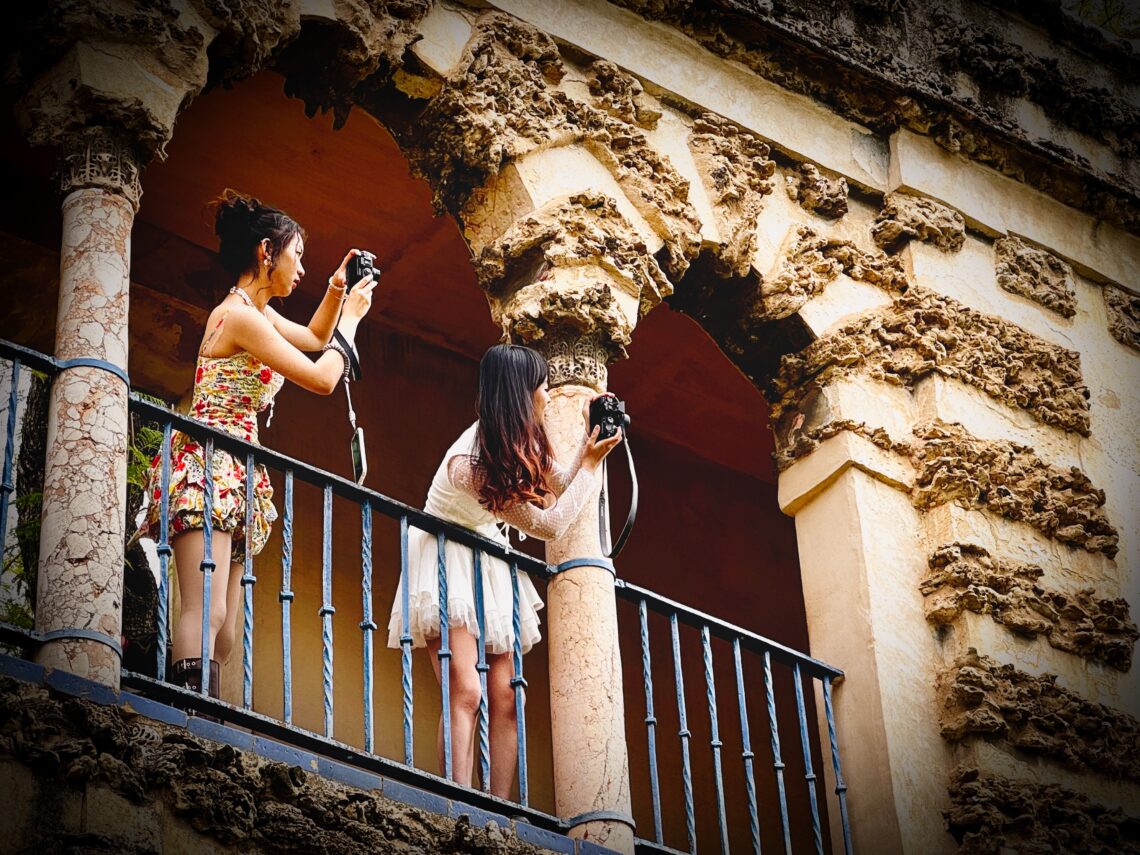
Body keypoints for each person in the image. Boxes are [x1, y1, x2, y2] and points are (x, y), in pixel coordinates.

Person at [139, 190, 377, 699]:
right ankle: (188, 716)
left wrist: (338, 290)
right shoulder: (240, 316)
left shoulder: (259, 313)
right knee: (207, 608)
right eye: (298, 256)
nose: (303, 269)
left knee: (225, 628)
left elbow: (314, 336)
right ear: (267, 252)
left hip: (239, 469)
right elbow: (321, 377)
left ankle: (207, 710)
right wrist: (353, 324)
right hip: (208, 461)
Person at [386, 343, 622, 798]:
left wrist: (592, 445)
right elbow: (551, 524)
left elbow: (561, 482)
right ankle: (457, 802)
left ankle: (499, 809)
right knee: (467, 690)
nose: (549, 397)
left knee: (509, 696)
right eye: (543, 388)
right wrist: (590, 468)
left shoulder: (517, 436)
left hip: (490, 560)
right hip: (445, 560)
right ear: (521, 393)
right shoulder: (468, 466)